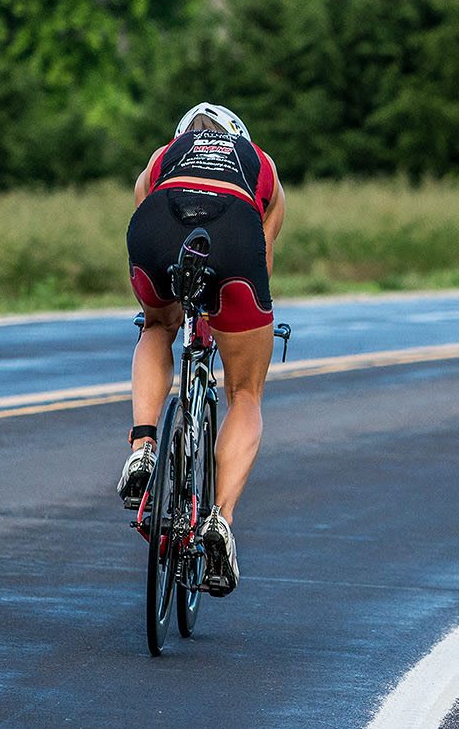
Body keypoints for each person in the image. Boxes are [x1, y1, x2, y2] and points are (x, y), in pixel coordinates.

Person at [118, 102, 285, 596]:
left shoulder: (163, 155)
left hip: (159, 222)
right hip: (235, 231)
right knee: (245, 392)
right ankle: (220, 519)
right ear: (239, 137)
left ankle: (144, 446)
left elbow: (144, 218)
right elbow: (262, 261)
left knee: (155, 326)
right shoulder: (262, 163)